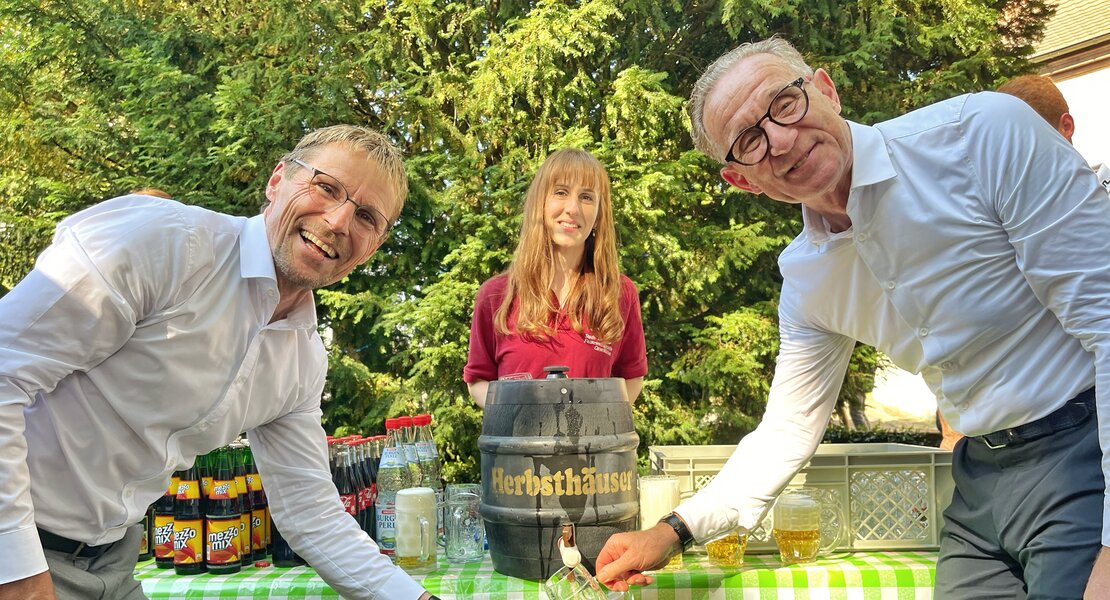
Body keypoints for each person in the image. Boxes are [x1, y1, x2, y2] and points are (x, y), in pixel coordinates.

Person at [594, 37, 1110, 598]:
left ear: (825, 90)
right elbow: (789, 428)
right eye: (749, 141)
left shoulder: (981, 134)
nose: (782, 140)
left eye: (785, 104)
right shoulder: (807, 280)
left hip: (1083, 453)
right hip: (980, 479)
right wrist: (670, 533)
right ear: (744, 180)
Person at [0, 125, 438, 600]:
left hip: (112, 562)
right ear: (277, 181)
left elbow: (311, 513)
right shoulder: (163, 242)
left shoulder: (302, 358)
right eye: (326, 187)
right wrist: (19, 572)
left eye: (367, 217)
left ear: (373, 245)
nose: (337, 221)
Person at [463, 148, 648, 408]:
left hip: (593, 448)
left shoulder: (619, 293)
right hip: (519, 448)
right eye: (561, 192)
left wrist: (599, 425)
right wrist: (516, 417)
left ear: (598, 214)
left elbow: (632, 376)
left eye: (586, 197)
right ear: (541, 203)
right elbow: (478, 380)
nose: (572, 208)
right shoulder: (496, 294)